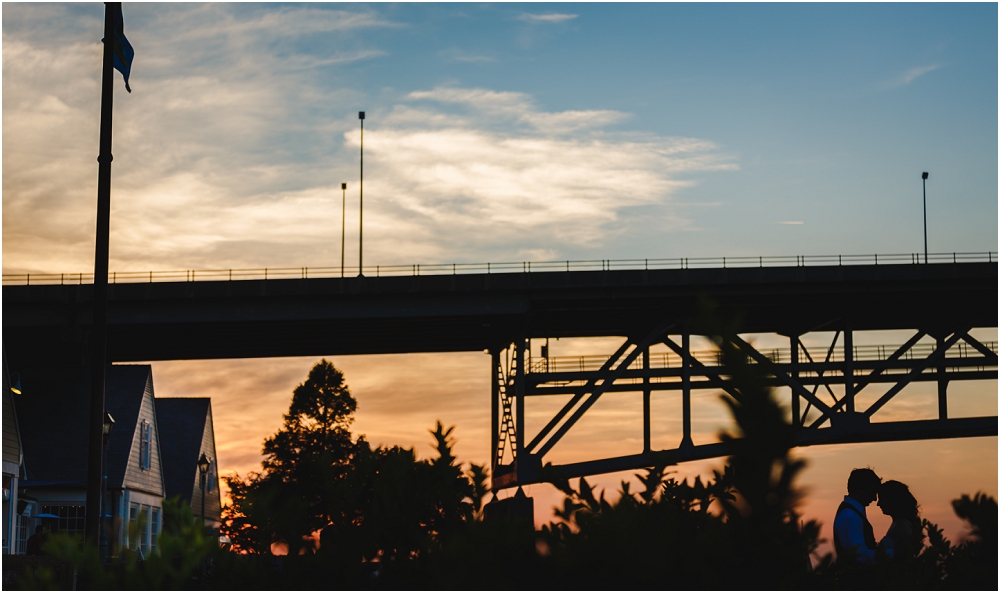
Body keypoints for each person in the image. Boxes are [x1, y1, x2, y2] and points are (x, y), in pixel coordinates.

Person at [833, 467, 881, 564]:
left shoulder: (851, 513)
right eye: (872, 492)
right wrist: (889, 554)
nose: (875, 499)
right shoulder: (850, 516)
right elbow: (859, 555)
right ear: (860, 489)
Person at [876, 480, 923, 560]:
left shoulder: (903, 525)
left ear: (892, 500)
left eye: (882, 499)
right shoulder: (898, 523)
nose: (878, 504)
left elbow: (906, 555)